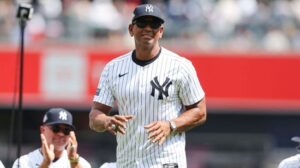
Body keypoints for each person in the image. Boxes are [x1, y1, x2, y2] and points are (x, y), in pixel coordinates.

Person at [89, 3, 207, 168]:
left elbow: (200, 111)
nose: (148, 28)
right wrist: (107, 121)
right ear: (131, 29)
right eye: (142, 23)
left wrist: (171, 125)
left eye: (154, 24)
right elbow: (95, 115)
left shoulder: (180, 66)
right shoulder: (113, 68)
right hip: (128, 162)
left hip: (166, 162)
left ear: (161, 31)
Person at [12, 108, 91, 168]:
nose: (61, 134)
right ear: (43, 130)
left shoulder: (81, 163)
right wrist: (46, 163)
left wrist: (73, 161)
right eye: (55, 128)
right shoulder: (24, 162)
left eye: (66, 130)